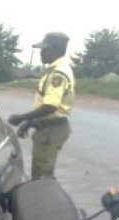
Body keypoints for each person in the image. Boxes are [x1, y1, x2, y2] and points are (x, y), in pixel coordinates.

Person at [8, 32, 75, 179]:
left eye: (45, 49)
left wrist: (21, 118)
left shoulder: (58, 73)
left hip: (51, 130)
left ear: (57, 50)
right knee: (40, 172)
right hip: (47, 128)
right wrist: (30, 122)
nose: (41, 53)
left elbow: (50, 106)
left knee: (43, 176)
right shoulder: (54, 70)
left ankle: (47, 201)